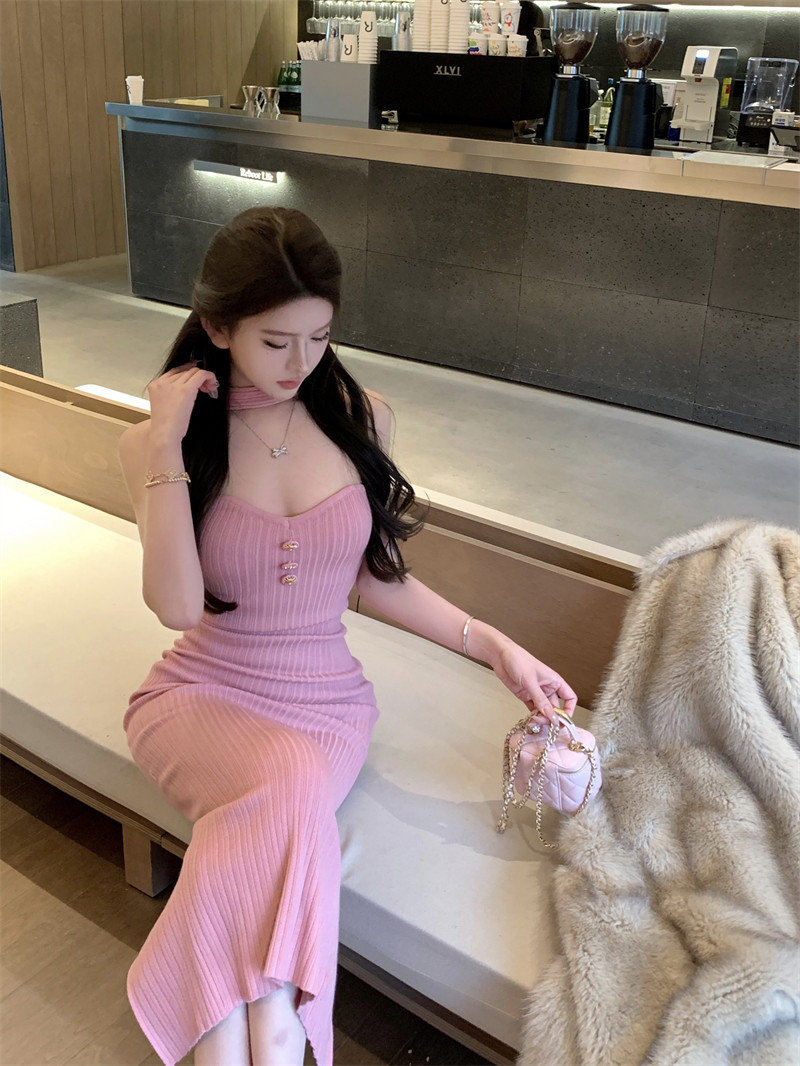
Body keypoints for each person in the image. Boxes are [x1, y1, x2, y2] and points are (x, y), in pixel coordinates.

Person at [118, 205, 577, 1066]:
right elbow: (177, 608)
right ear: (217, 327)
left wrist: (496, 647)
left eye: (320, 337)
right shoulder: (157, 444)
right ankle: (283, 1033)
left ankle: (246, 1034)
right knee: (288, 788)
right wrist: (168, 447)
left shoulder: (363, 418)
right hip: (198, 697)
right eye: (275, 342)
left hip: (327, 704)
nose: (301, 364)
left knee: (285, 789)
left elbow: (375, 578)